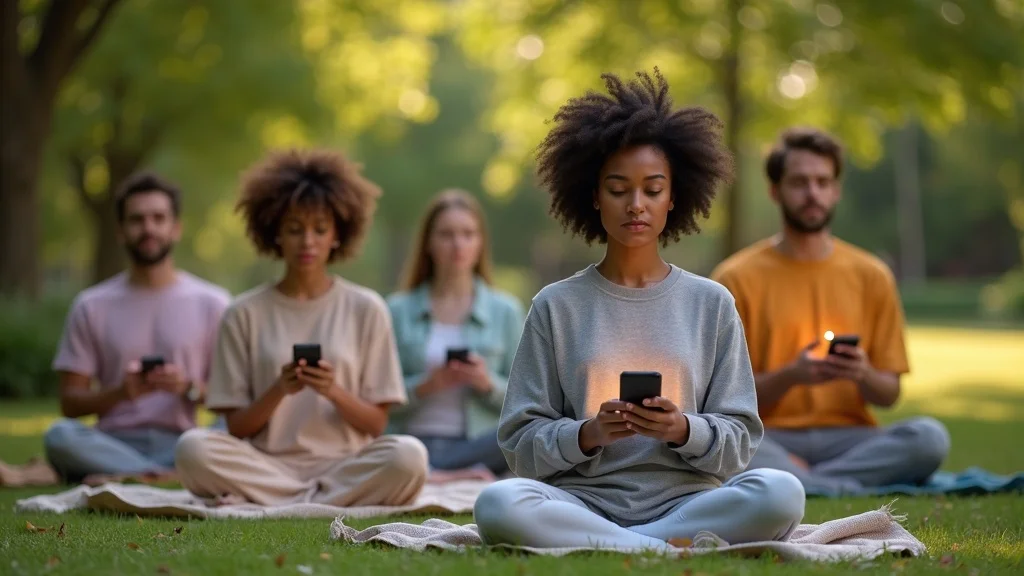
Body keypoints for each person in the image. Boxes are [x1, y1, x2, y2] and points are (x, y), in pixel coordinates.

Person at [473, 69, 805, 550]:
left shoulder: (711, 303)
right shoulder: (555, 305)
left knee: (781, 491)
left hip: (689, 503)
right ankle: (657, 548)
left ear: (674, 198)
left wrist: (683, 428)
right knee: (497, 503)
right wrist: (587, 433)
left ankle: (624, 544)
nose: (636, 205)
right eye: (618, 188)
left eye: (652, 189)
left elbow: (740, 439)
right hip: (580, 501)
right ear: (593, 195)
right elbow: (520, 445)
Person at [174, 148, 428, 506]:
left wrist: (333, 391)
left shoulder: (366, 307)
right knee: (193, 448)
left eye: (319, 229)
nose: (307, 241)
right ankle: (322, 499)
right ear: (275, 234)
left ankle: (288, 500)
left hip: (347, 465)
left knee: (409, 456)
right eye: (295, 229)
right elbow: (236, 428)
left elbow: (376, 424)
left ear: (337, 234)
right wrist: (280, 388)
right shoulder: (243, 312)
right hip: (266, 465)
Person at [710, 127, 950, 495]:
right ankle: (836, 484)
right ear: (775, 191)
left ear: (836, 190)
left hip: (851, 438)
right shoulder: (734, 278)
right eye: (799, 182)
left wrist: (863, 372)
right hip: (768, 438)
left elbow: (887, 395)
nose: (813, 194)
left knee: (929, 438)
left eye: (823, 182)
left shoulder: (872, 275)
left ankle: (806, 484)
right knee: (721, 445)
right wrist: (792, 375)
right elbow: (719, 399)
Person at [44, 172, 231, 484]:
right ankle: (164, 478)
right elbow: (70, 403)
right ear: (120, 231)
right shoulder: (91, 305)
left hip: (186, 444)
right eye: (137, 219)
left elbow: (232, 400)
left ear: (176, 228)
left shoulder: (213, 302)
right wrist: (122, 392)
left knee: (234, 426)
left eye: (159, 218)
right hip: (111, 443)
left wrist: (187, 386)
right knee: (60, 435)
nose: (149, 228)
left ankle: (130, 476)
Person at [386, 189, 525, 481]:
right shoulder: (397, 310)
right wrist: (426, 386)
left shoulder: (506, 311)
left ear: (480, 243)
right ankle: (450, 475)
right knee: (398, 454)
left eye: (468, 234)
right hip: (413, 442)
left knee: (525, 440)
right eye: (446, 235)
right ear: (428, 243)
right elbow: (379, 399)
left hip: (479, 444)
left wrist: (486, 384)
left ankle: (437, 475)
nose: (458, 244)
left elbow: (526, 400)